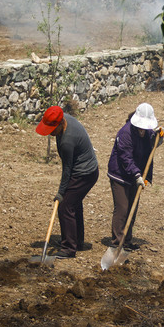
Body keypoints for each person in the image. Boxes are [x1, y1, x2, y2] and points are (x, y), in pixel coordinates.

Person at [35, 106, 99, 259]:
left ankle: (69, 248)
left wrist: (60, 192)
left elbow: (67, 170)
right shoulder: (65, 120)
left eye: (51, 129)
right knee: (74, 203)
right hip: (86, 170)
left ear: (59, 123)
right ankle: (77, 241)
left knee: (65, 206)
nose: (50, 133)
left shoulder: (67, 141)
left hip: (85, 174)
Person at [107, 103, 163, 250]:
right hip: (120, 175)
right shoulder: (125, 133)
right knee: (123, 208)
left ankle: (126, 241)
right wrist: (137, 175)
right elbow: (125, 158)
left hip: (134, 175)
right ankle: (117, 243)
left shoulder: (147, 131)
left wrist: (158, 138)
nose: (143, 129)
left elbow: (151, 145)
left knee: (133, 207)